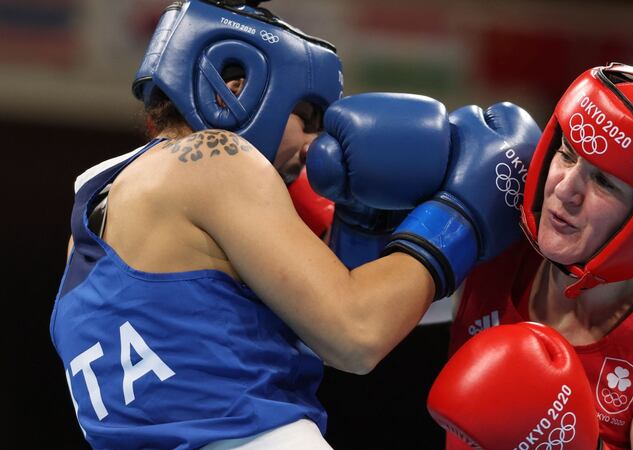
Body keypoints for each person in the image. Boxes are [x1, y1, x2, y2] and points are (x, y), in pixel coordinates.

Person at [49, 1, 541, 448]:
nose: (311, 145)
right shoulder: (215, 158)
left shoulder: (96, 213)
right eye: (304, 116)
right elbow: (357, 333)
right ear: (234, 83)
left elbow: (292, 330)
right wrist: (459, 214)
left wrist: (364, 238)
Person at [425, 49, 633, 449]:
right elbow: (359, 334)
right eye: (567, 153)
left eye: (603, 182)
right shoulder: (496, 230)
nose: (564, 190)